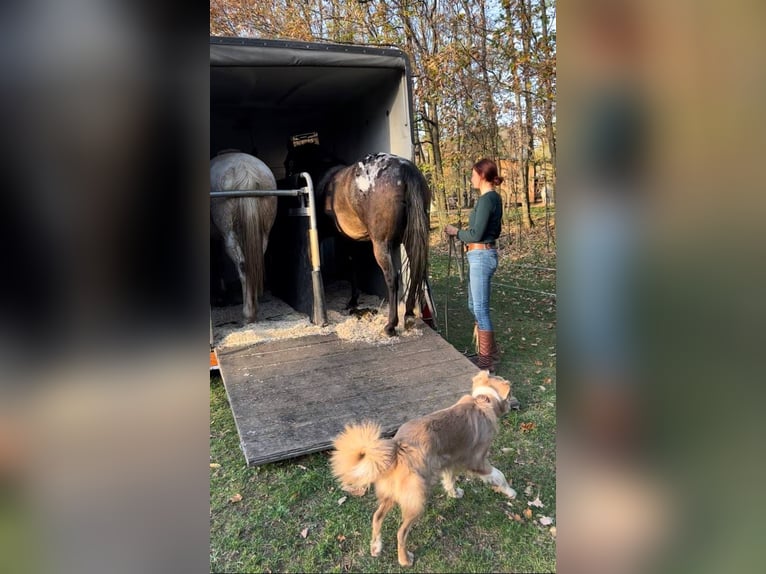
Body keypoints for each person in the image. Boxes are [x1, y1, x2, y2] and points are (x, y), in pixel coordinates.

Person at [445, 158, 504, 372]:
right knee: (474, 306)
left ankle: (486, 364)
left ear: (481, 175)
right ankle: (491, 355)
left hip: (481, 257)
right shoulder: (492, 199)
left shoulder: (488, 199)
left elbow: (477, 233)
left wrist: (456, 232)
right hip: (480, 255)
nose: (471, 178)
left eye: (472, 174)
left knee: (480, 308)